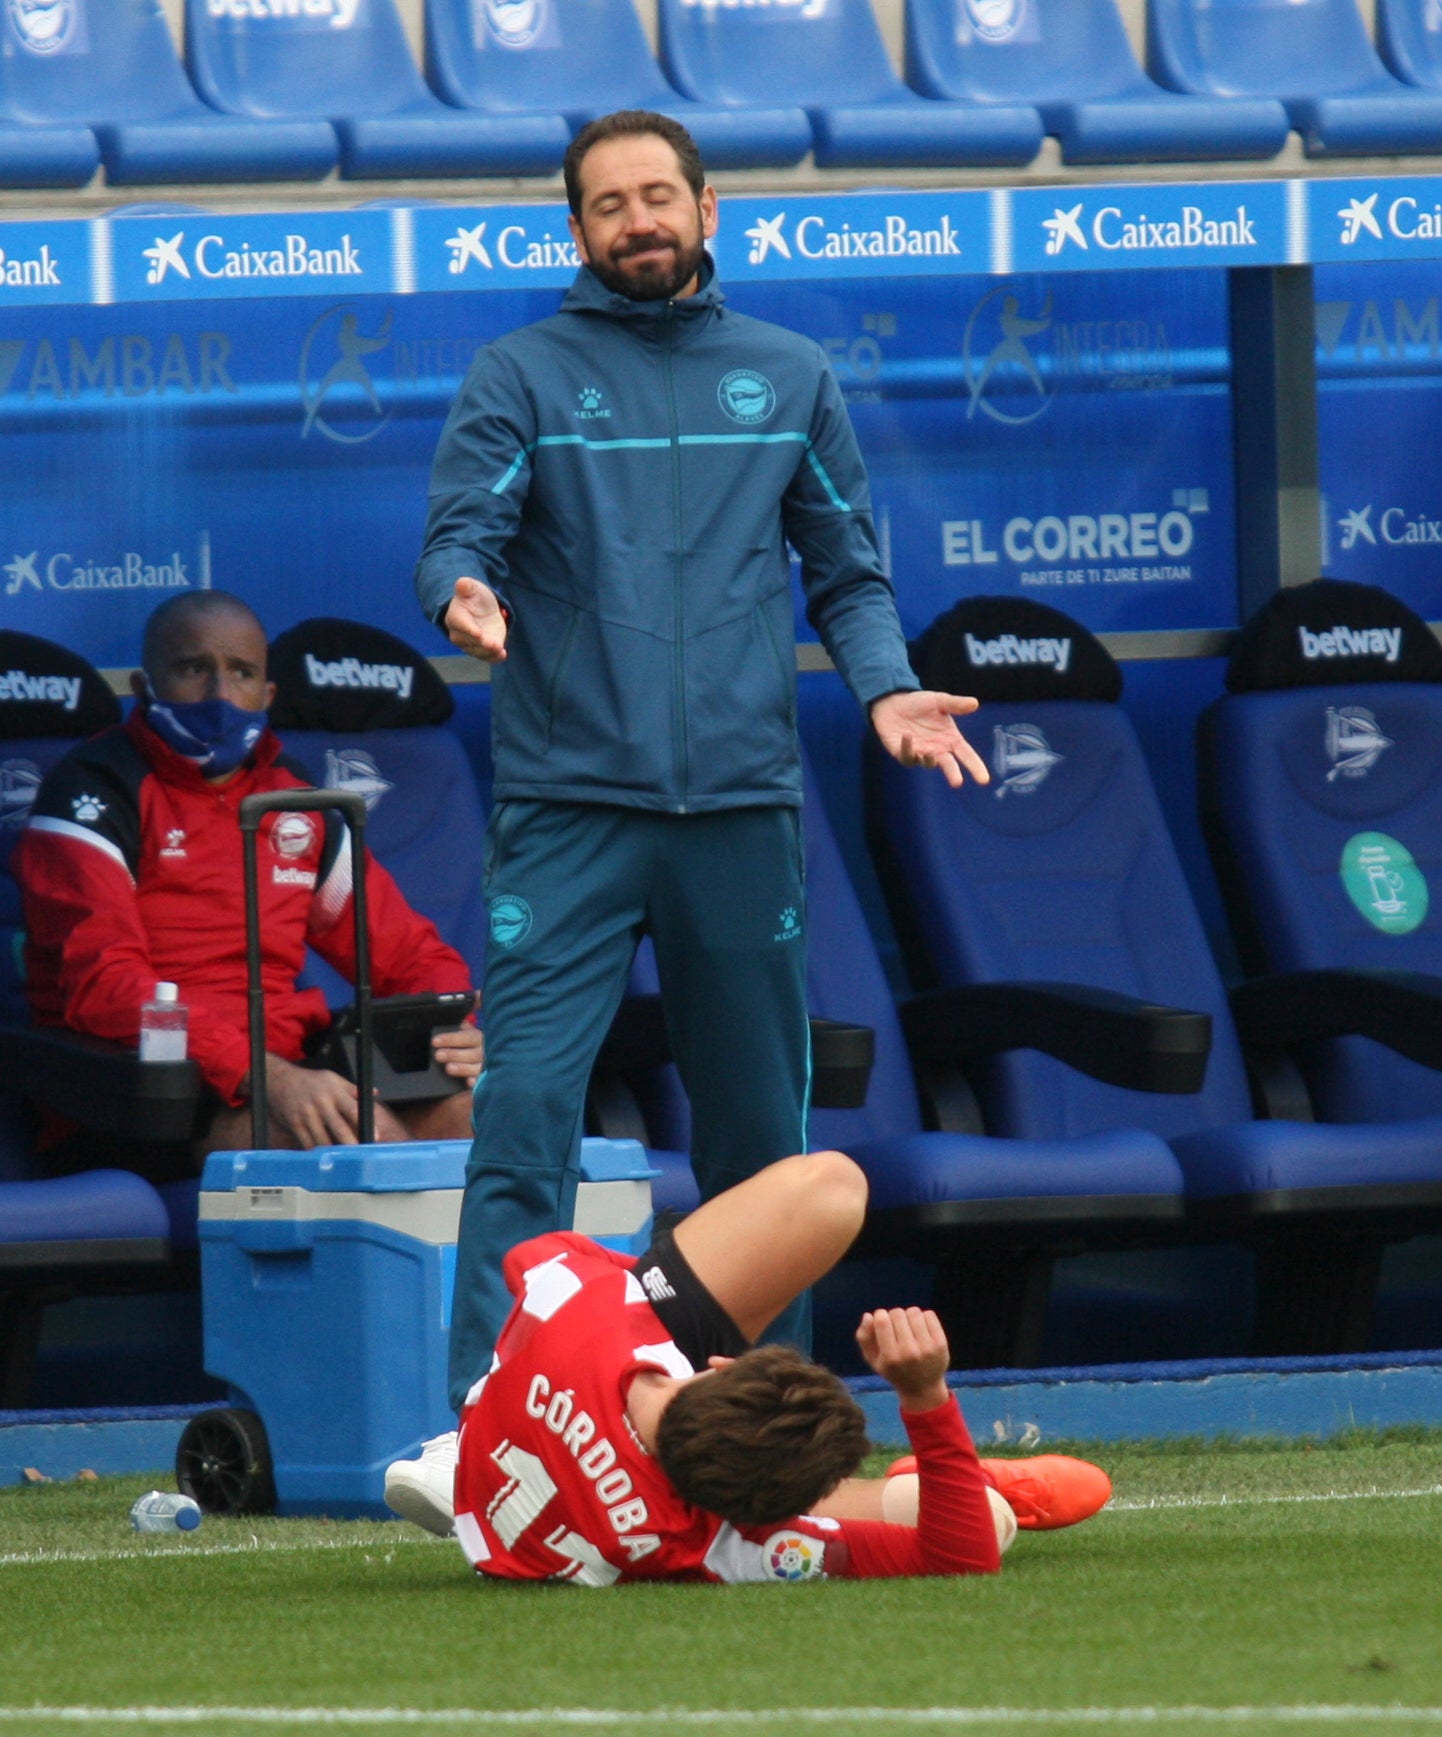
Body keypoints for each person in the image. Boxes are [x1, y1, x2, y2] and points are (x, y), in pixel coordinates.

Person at [414, 107, 991, 1403]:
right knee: (521, 1122)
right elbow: (457, 534)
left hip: (737, 811)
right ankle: (489, 1423)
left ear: (705, 208)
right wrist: (461, 591)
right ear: (575, 228)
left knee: (755, 1145)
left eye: (657, 196)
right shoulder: (521, 372)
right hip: (568, 813)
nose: (639, 221)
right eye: (609, 204)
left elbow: (847, 576)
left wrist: (888, 691)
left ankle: (751, 1427)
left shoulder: (786, 373)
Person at [384, 1152, 1111, 1583]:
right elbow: (963, 1552)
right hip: (558, 1477)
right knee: (985, 1517)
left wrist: (621, 1311)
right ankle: (969, 1477)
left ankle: (458, 1450)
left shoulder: (690, 1537)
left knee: (827, 1192)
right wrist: (924, 1395)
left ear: (720, 1364)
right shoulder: (717, 1541)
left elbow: (538, 1259)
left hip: (526, 1428)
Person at [15, 589, 483, 1179]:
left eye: (240, 673)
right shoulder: (94, 793)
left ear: (267, 695)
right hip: (141, 1097)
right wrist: (267, 1076)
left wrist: (454, 1029)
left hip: (285, 1072)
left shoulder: (295, 799)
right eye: (192, 669)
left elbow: (406, 952)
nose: (218, 695)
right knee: (367, 1145)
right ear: (143, 685)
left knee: (473, 1122)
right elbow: (105, 986)